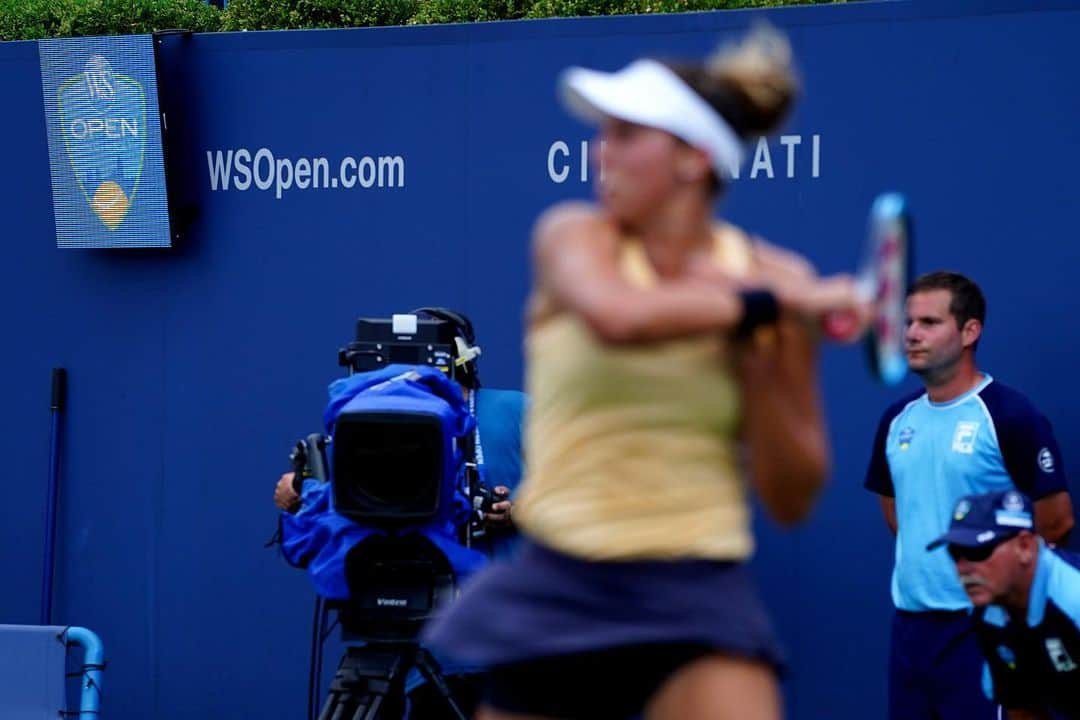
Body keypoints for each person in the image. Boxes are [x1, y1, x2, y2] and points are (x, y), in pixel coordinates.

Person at [423, 26, 876, 720]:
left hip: (698, 586)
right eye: (601, 132)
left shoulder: (778, 279)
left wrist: (763, 359)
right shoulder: (573, 236)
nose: (600, 151)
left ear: (694, 159)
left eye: (626, 135)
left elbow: (791, 495)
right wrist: (771, 305)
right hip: (563, 583)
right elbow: (618, 316)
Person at [273, 306, 527, 719]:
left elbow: (583, 496)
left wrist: (518, 509)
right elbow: (350, 508)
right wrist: (302, 492)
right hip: (416, 649)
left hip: (505, 648)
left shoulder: (515, 411)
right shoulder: (367, 424)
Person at [864, 271, 1075, 719]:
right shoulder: (895, 421)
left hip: (982, 629)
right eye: (908, 322)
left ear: (969, 331)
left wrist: (1007, 604)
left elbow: (1055, 523)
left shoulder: (1009, 415)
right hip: (910, 632)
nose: (911, 334)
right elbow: (898, 514)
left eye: (929, 322)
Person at [927, 489, 1080, 719]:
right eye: (956, 553)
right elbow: (1021, 706)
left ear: (1025, 547)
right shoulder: (988, 612)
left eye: (979, 551)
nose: (964, 568)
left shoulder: (1073, 599)